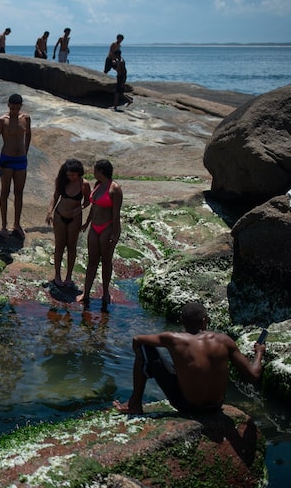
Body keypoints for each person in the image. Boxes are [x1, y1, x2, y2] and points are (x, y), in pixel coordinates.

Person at [114, 302, 266, 415]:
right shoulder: (224, 341)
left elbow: (136, 339)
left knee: (145, 347)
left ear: (182, 321)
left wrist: (141, 362)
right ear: (204, 320)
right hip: (216, 406)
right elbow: (253, 375)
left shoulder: (173, 339)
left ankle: (135, 404)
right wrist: (259, 353)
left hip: (187, 406)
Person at [76, 159, 122, 310]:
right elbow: (94, 207)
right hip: (94, 227)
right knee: (92, 261)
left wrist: (115, 234)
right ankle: (86, 293)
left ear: (101, 171)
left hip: (107, 227)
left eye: (95, 170)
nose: (93, 172)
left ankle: (106, 292)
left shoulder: (114, 189)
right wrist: (87, 223)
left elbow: (116, 214)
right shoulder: (97, 185)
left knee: (106, 261)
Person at [0, 94, 31, 239]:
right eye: (12, 108)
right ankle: (3, 225)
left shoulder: (25, 119)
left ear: (21, 106)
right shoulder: (2, 121)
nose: (14, 111)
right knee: (5, 192)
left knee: (19, 193)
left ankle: (17, 224)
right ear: (8, 105)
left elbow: (29, 135)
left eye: (17, 108)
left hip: (20, 160)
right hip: (6, 159)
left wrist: (25, 152)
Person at [46, 160, 91, 287]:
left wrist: (80, 208)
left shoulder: (84, 184)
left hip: (75, 218)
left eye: (73, 175)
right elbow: (55, 196)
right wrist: (50, 212)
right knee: (59, 246)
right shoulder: (61, 180)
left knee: (71, 246)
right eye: (69, 175)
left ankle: (69, 276)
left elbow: (88, 201)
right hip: (60, 215)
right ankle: (57, 275)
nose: (71, 177)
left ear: (79, 173)